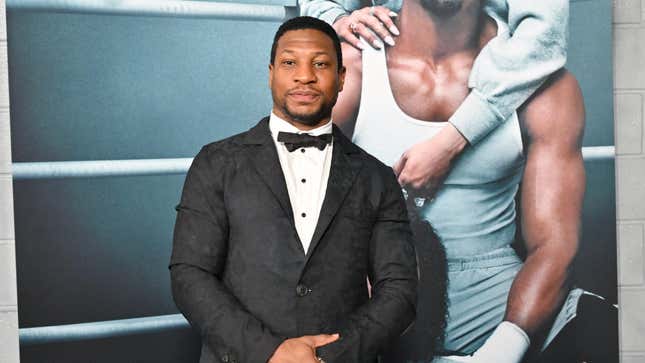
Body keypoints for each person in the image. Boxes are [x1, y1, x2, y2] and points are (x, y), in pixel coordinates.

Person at [332, 0, 617, 362]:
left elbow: (554, 246)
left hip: (497, 304)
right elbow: (298, 227)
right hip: (384, 297)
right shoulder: (349, 68)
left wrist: (502, 351)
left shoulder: (544, 87)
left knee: (605, 329)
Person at [169, 16, 418, 363]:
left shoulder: (377, 177)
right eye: (290, 63)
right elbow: (189, 275)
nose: (305, 75)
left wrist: (327, 356)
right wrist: (271, 352)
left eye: (321, 64)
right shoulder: (216, 163)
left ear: (342, 77)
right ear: (271, 73)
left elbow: (400, 290)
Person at [301, 0, 568, 198]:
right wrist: (335, 18)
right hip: (384, 61)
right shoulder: (354, 69)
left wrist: (452, 141)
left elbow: (543, 36)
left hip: (500, 83)